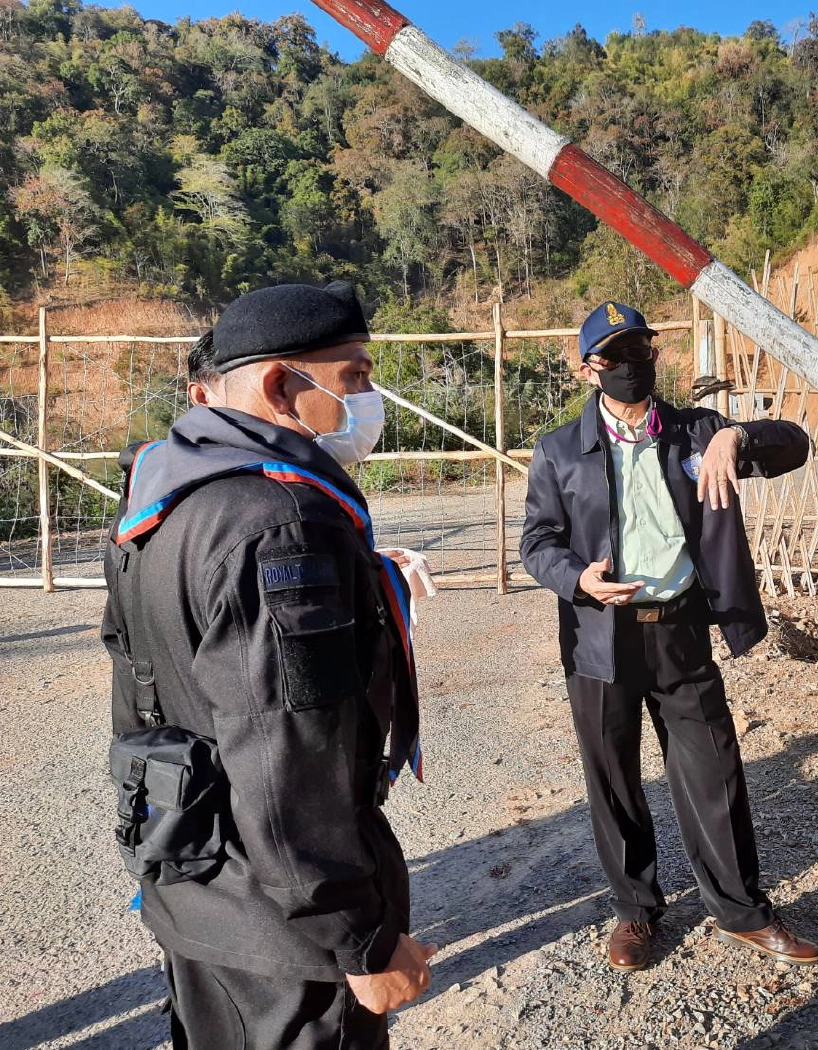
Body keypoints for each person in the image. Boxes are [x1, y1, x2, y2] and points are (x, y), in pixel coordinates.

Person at [102, 282, 437, 1049]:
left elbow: (141, 693)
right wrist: (361, 940)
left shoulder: (159, 494)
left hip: (194, 880)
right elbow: (292, 761)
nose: (368, 396)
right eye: (354, 376)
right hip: (285, 935)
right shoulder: (283, 523)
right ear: (285, 387)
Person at [521, 300, 818, 972]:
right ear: (588, 369)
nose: (633, 367)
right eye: (616, 356)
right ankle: (635, 911)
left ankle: (742, 912)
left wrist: (737, 436)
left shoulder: (696, 432)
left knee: (713, 771)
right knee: (614, 781)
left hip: (680, 629)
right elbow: (536, 543)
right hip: (601, 638)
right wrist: (577, 578)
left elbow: (796, 444)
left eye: (643, 353)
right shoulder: (558, 451)